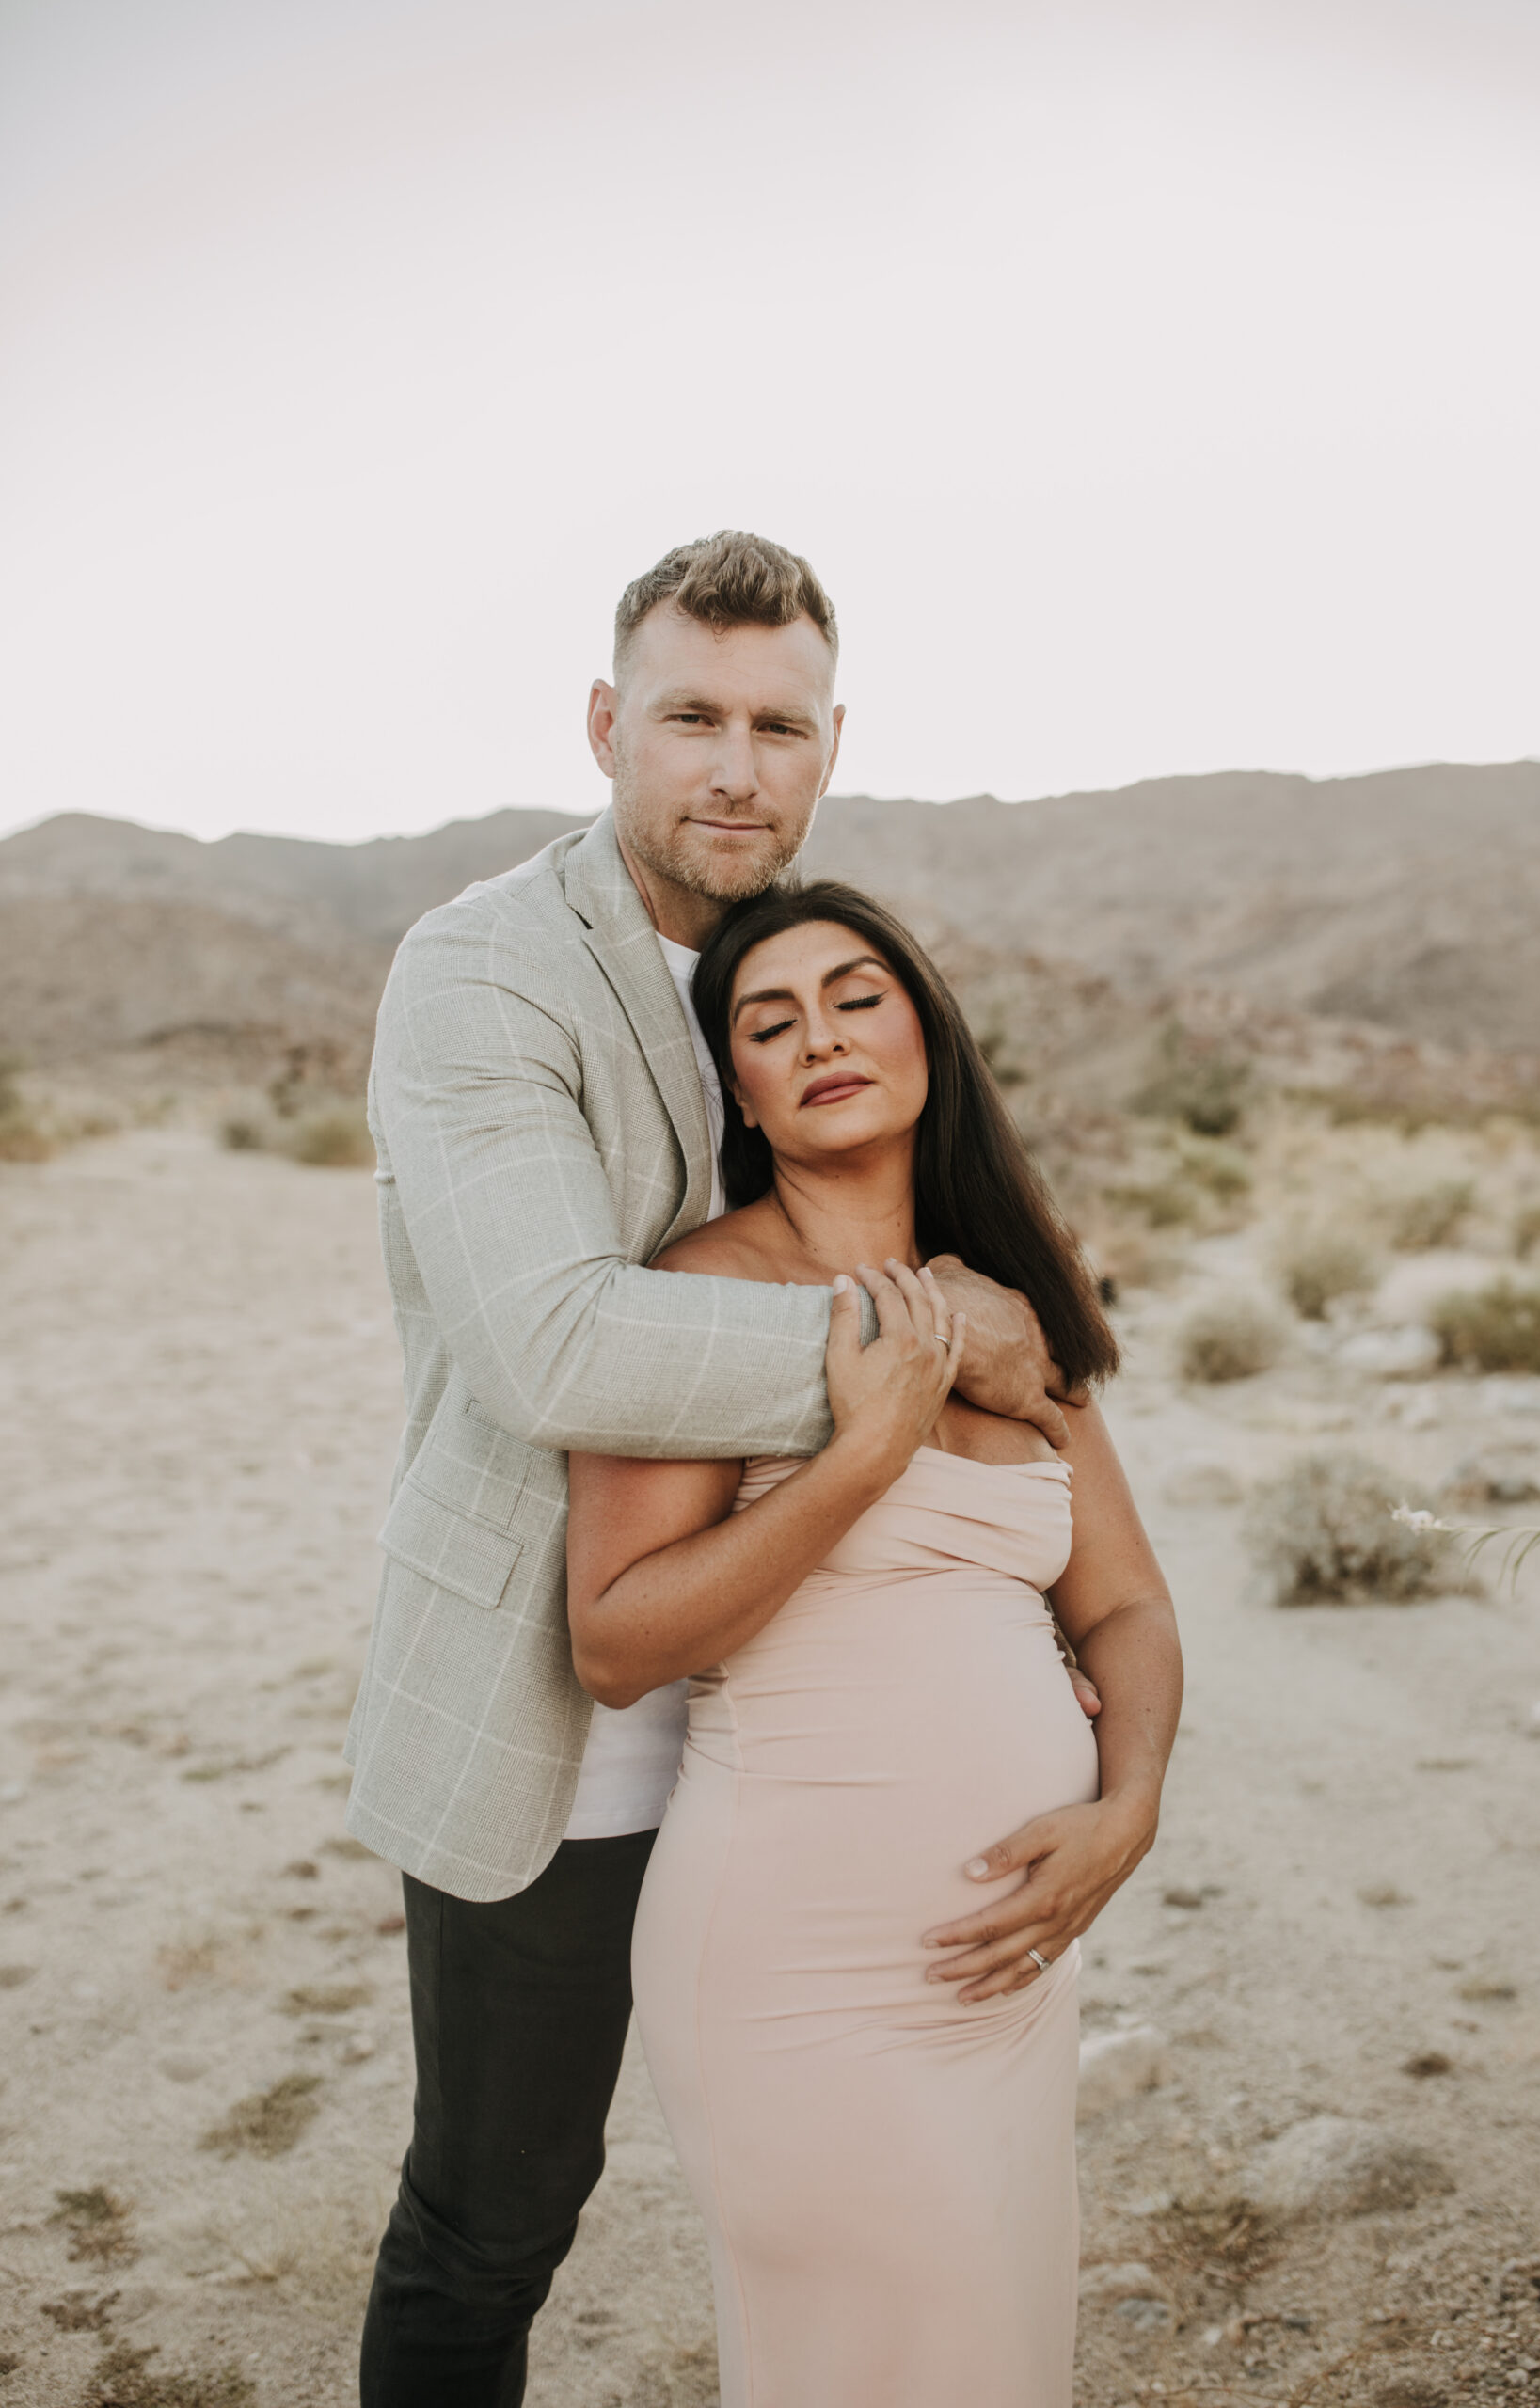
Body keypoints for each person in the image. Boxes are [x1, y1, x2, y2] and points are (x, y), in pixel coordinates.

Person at [350, 531, 1108, 2403]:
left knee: (874, 2196)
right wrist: (948, 1353)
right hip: (566, 1705)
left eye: (775, 724)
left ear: (827, 742)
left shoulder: (803, 976)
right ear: (608, 722)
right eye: (689, 714)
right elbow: (556, 1341)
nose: (732, 766)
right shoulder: (484, 974)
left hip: (822, 1738)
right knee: (497, 2211)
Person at [565, 883, 1182, 2406]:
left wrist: (1131, 1805)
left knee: (992, 2347)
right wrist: (865, 1450)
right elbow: (614, 1638)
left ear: (927, 1035)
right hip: (796, 1961)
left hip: (1010, 1964)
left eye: (858, 997)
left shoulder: (1017, 1302)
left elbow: (1126, 1604)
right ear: (744, 1095)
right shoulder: (695, 1299)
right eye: (771, 1024)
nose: (823, 1037)